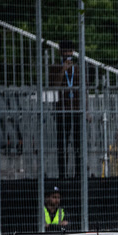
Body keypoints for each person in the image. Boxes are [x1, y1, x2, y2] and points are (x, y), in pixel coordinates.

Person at [48, 41, 83, 179]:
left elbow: (83, 90)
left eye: (70, 52)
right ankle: (62, 175)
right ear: (60, 52)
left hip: (77, 111)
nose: (68, 55)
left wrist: (86, 110)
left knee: (77, 144)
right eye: (65, 52)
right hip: (62, 111)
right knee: (62, 144)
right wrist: (63, 70)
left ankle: (78, 174)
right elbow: (53, 86)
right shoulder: (55, 67)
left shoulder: (78, 69)